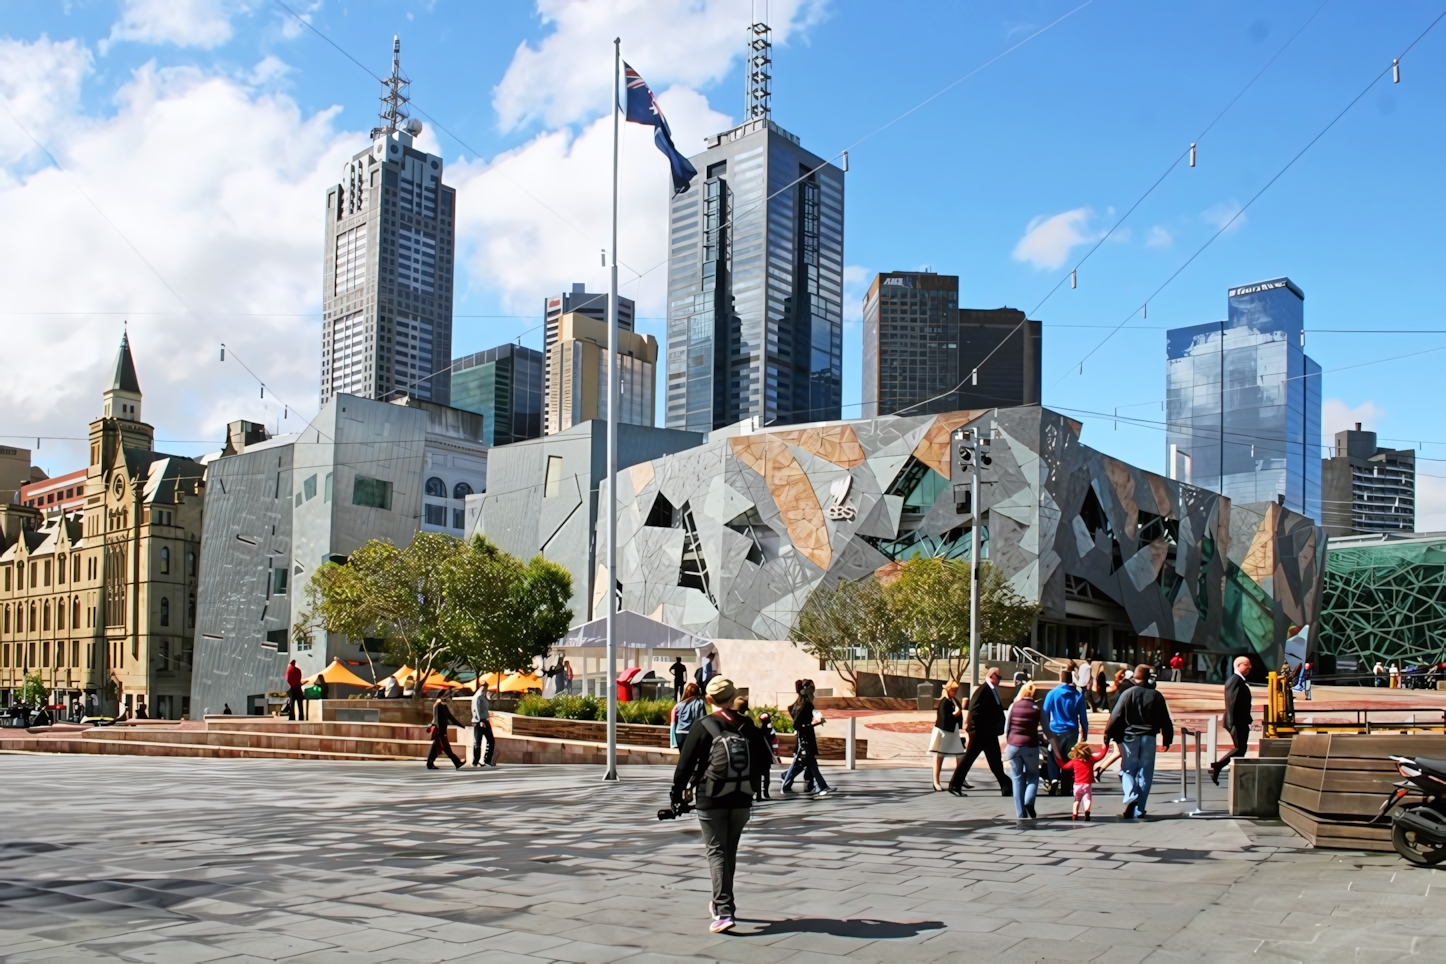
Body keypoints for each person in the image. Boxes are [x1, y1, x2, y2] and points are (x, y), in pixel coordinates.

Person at [671, 676, 771, 934]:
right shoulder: (747, 725)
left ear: (709, 699)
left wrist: (676, 794)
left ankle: (724, 910)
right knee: (729, 851)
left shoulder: (703, 725)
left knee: (716, 851)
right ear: (733, 696)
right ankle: (723, 901)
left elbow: (685, 765)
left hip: (710, 798)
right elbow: (763, 761)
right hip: (741, 799)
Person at [1105, 663, 1174, 819]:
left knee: (1128, 768)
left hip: (1130, 735)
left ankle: (1130, 794)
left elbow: (1116, 715)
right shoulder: (1156, 695)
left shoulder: (1128, 693)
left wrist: (1107, 735)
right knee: (1145, 773)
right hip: (1149, 736)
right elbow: (1165, 719)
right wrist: (1167, 738)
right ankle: (1139, 809)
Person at [949, 666, 1012, 797]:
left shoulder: (991, 690)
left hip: (989, 733)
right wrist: (974, 730)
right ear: (992, 676)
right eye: (998, 677)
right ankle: (954, 785)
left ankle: (1006, 785)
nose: (1000, 680)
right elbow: (974, 711)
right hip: (981, 733)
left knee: (995, 761)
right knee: (969, 759)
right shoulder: (983, 690)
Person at [1041, 668, 1088, 795]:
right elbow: (1083, 718)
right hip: (1072, 732)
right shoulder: (1078, 695)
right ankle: (1066, 786)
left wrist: (1046, 731)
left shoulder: (1052, 693)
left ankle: (1054, 779)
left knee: (1053, 756)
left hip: (1055, 731)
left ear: (1060, 679)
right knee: (1069, 759)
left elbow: (1044, 714)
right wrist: (1085, 735)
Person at [780, 679, 830, 796]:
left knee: (807, 763)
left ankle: (818, 786)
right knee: (803, 763)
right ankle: (820, 786)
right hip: (804, 738)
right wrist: (813, 724)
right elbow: (797, 725)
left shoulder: (801, 705)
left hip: (805, 737)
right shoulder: (805, 705)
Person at [1210, 655, 1253, 785]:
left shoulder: (1238, 681)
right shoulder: (1235, 680)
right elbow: (1231, 703)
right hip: (1237, 721)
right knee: (1240, 748)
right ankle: (1217, 767)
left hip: (1240, 721)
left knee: (1241, 749)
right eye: (1246, 664)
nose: (1249, 667)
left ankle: (1235, 775)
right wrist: (1232, 722)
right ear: (1238, 666)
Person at [1004, 680, 1042, 822]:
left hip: (1013, 746)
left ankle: (1020, 813)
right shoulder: (1037, 709)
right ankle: (1029, 800)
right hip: (1030, 746)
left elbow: (1007, 727)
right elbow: (1045, 726)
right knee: (1033, 775)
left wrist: (1009, 742)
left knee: (1017, 779)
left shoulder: (1013, 706)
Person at [1055, 741, 1109, 820]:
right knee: (1087, 799)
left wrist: (1057, 758)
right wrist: (1105, 746)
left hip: (1077, 785)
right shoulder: (1091, 760)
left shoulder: (1074, 762)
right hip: (1087, 784)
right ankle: (1087, 811)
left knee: (1077, 800)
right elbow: (1101, 756)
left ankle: (1074, 814)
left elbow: (1064, 766)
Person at [928, 680, 965, 792]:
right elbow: (944, 718)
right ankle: (936, 781)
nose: (955, 692)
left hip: (952, 732)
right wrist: (955, 714)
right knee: (939, 757)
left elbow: (959, 715)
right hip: (943, 731)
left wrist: (959, 718)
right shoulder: (944, 702)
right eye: (953, 690)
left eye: (956, 690)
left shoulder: (953, 701)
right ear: (948, 690)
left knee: (959, 756)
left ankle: (959, 779)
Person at [426, 694, 464, 769]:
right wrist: (439, 731)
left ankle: (430, 763)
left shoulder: (441, 705)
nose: (448, 700)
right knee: (446, 748)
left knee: (435, 747)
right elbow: (438, 719)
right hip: (440, 731)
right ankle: (457, 762)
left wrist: (461, 725)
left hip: (440, 730)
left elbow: (449, 717)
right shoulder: (439, 705)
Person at [755, 712, 781, 801]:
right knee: (766, 774)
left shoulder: (757, 731)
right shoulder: (771, 731)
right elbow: (774, 743)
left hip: (758, 755)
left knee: (758, 775)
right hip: (766, 755)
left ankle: (758, 794)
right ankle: (766, 793)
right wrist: (777, 754)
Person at [471, 680, 496, 768]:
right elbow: (477, 709)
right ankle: (478, 761)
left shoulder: (481, 696)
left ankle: (484, 760)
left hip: (483, 720)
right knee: (479, 742)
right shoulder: (479, 697)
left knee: (488, 741)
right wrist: (481, 720)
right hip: (480, 721)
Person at [674, 682, 707, 747]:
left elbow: (676, 719)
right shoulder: (700, 703)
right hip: (691, 733)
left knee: (683, 756)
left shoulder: (679, 705)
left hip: (679, 732)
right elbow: (703, 718)